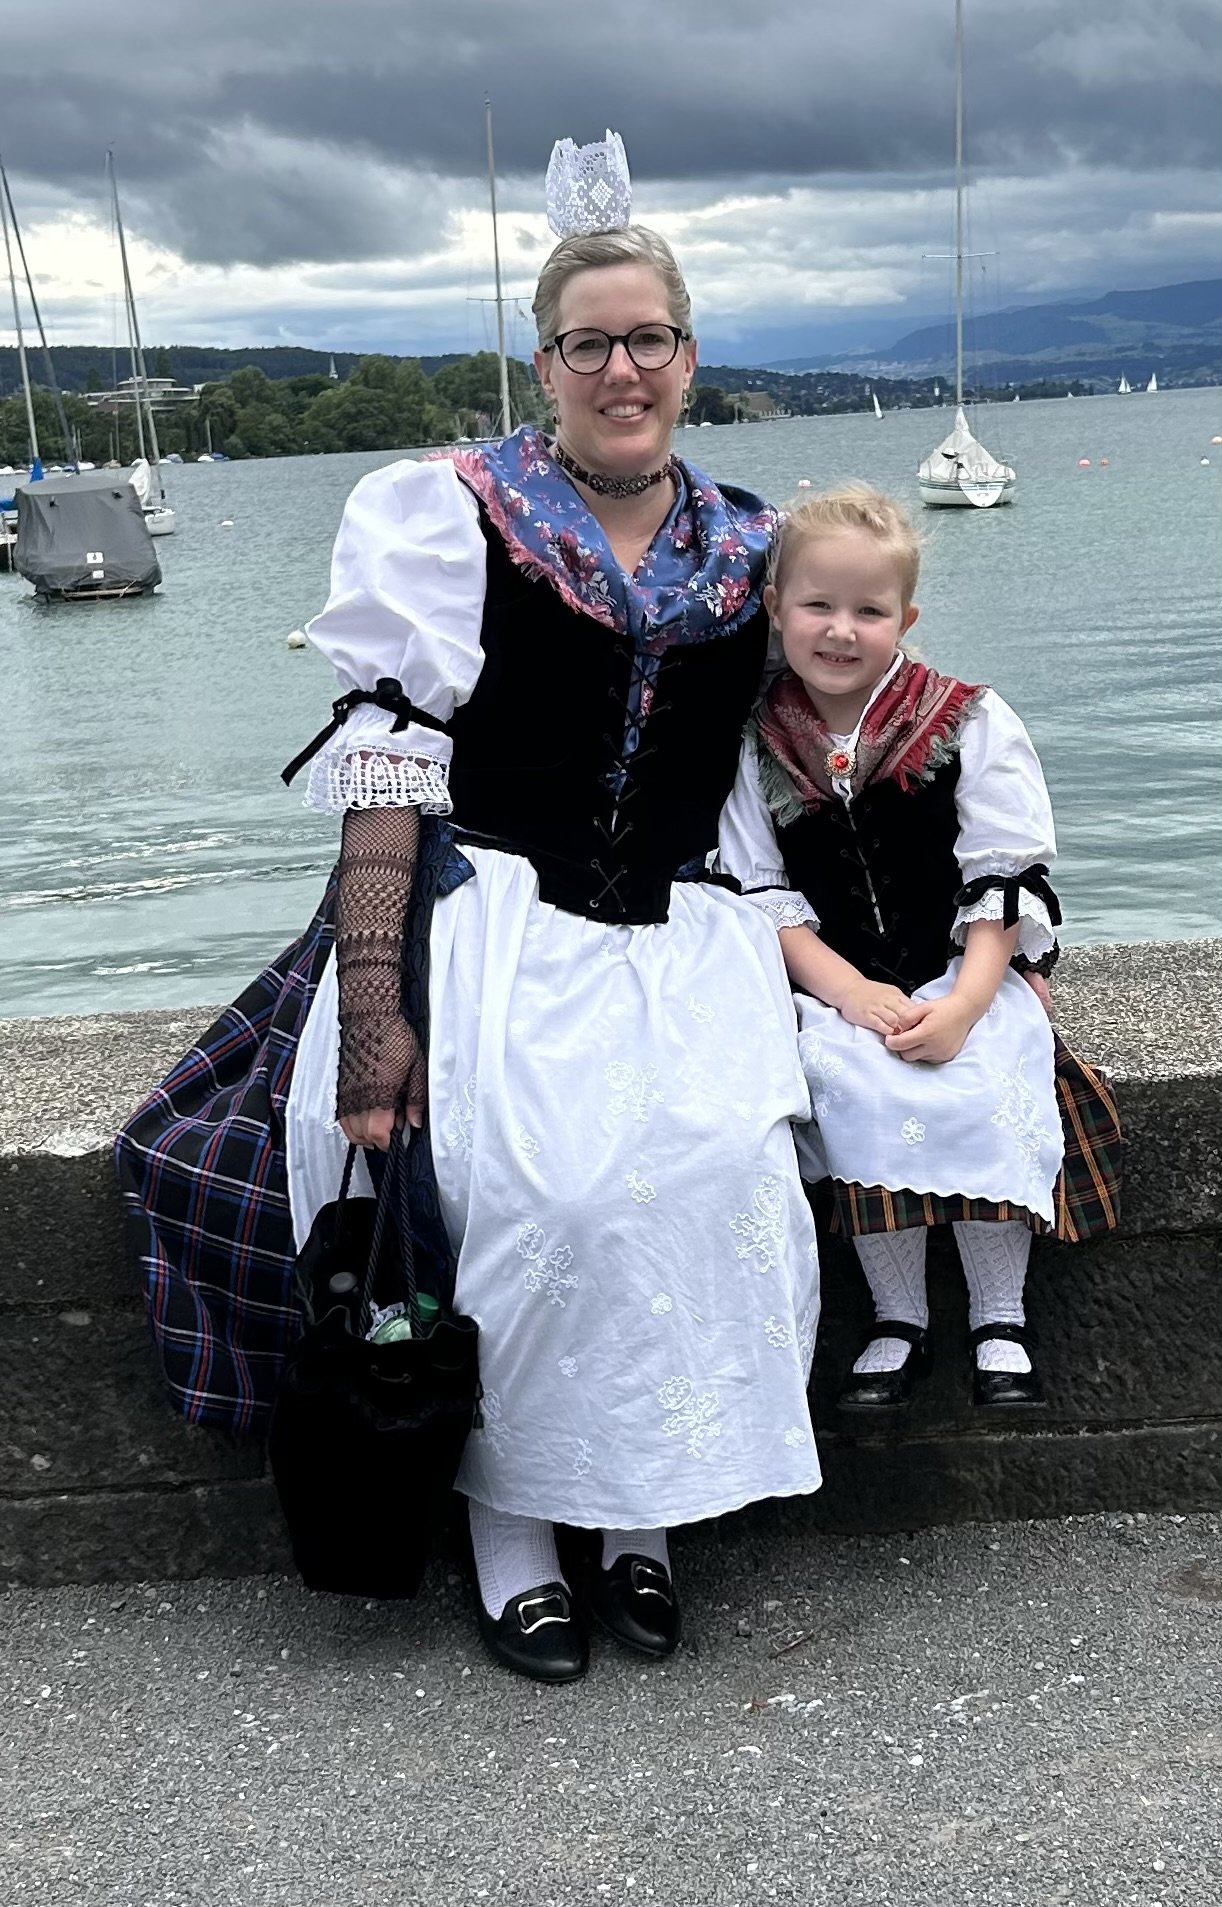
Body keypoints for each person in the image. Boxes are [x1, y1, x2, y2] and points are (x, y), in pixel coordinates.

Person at [114, 131, 822, 1684]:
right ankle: (510, 1531)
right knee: (525, 1198)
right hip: (495, 920)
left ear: (689, 356)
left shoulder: (752, 548)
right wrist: (377, 1009)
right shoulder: (452, 513)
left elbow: (761, 773)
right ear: (543, 360)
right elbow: (387, 775)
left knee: (718, 1182)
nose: (620, 369)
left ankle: (638, 1514)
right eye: (588, 344)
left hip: (677, 933)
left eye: (647, 339)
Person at [717, 483, 1120, 1414]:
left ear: (906, 618)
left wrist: (970, 1002)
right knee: (844, 1079)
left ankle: (999, 1314)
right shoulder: (756, 743)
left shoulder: (967, 719)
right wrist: (849, 993)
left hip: (963, 969)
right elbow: (761, 898)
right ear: (775, 608)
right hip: (837, 980)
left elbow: (1001, 882)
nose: (841, 630)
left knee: (985, 1073)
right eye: (818, 605)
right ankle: (898, 1314)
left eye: (870, 610)